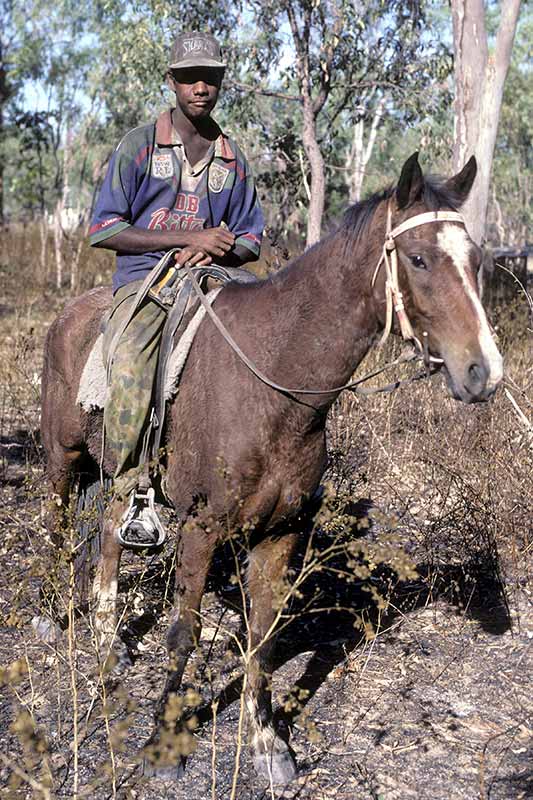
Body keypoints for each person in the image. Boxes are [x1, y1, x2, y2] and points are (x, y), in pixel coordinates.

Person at [89, 31, 264, 546]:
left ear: (221, 83)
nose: (200, 87)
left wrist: (215, 250)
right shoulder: (139, 146)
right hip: (144, 282)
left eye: (209, 77)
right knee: (131, 367)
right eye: (189, 77)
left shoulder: (232, 158)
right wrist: (189, 236)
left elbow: (251, 238)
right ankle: (129, 492)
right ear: (171, 81)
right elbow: (103, 230)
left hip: (212, 281)